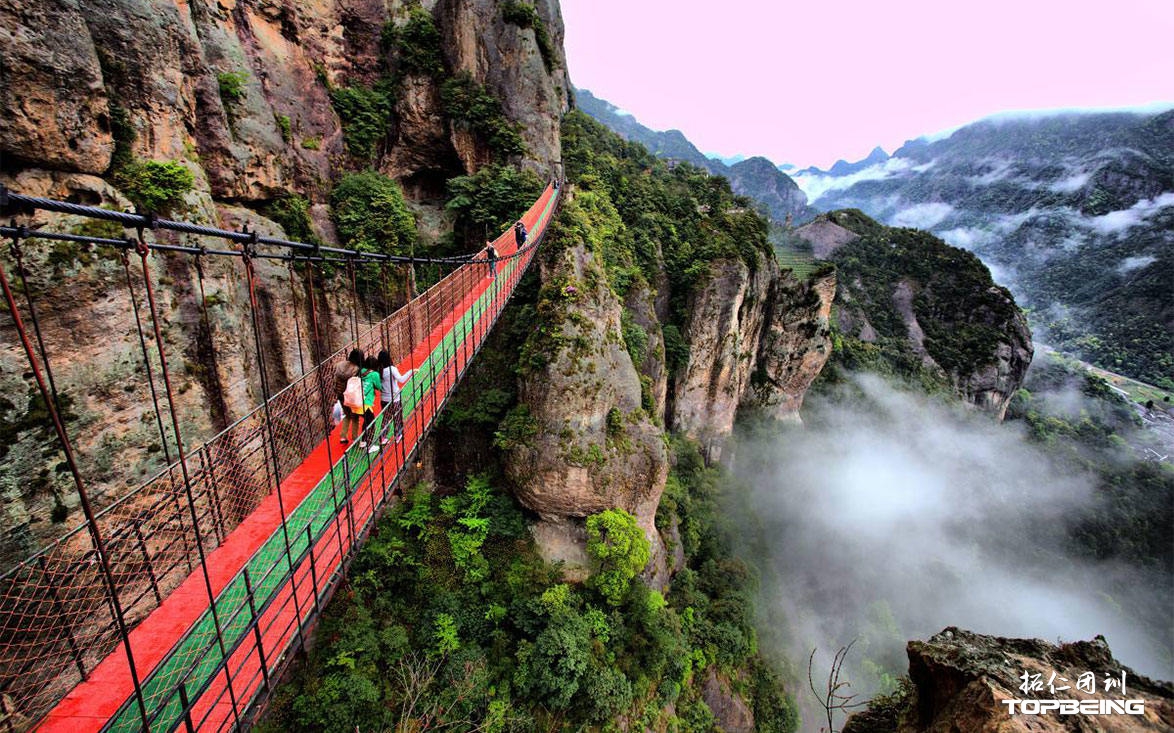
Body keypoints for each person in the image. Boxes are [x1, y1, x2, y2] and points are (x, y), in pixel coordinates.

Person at [378, 349, 414, 445]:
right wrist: (411, 371)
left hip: (383, 399)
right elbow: (401, 380)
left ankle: (382, 437)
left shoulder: (379, 371)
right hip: (394, 398)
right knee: (397, 417)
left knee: (386, 418)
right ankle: (398, 435)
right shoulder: (392, 369)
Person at [333, 348, 363, 444]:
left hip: (340, 394)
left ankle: (343, 436)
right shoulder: (356, 369)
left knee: (347, 415)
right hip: (350, 396)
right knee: (355, 417)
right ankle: (355, 438)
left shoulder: (340, 365)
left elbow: (335, 380)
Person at [360, 356, 383, 451]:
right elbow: (379, 386)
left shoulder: (361, 371)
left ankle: (363, 442)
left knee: (367, 420)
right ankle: (369, 445)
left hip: (356, 400)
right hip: (366, 402)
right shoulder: (374, 374)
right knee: (371, 422)